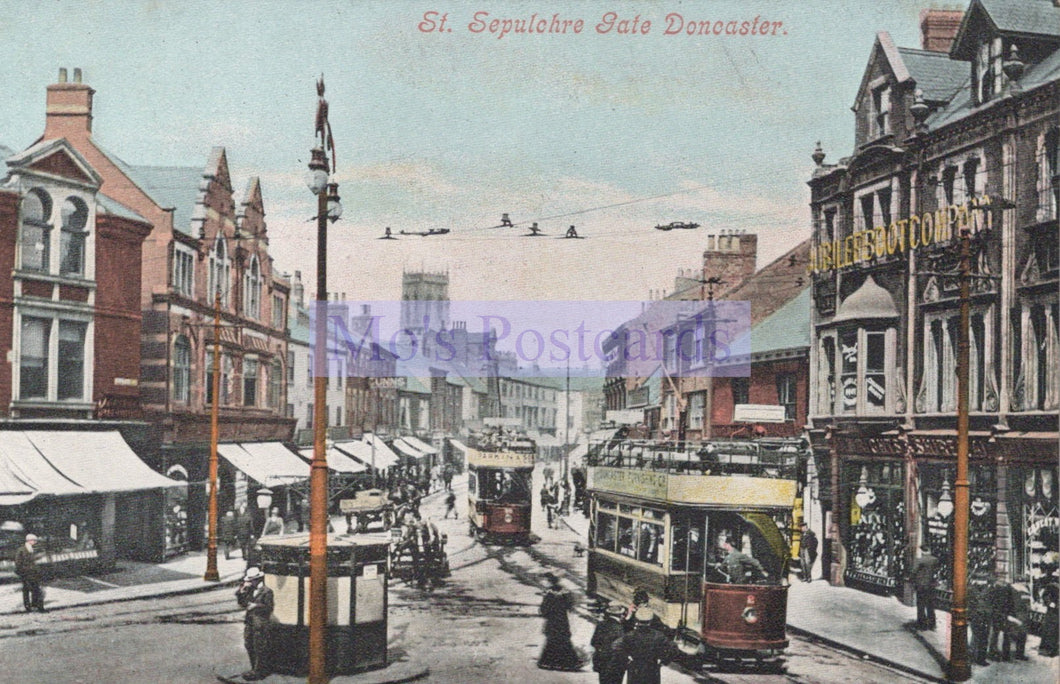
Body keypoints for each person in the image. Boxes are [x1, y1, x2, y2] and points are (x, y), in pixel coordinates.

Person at [612, 606, 678, 684]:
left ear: (637, 621)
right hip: (652, 669)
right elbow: (673, 648)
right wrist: (663, 661)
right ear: (650, 622)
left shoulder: (630, 635)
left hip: (635, 669)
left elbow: (615, 646)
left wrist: (626, 659)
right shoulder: (658, 636)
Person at [236, 567, 274, 681]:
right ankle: (254, 668)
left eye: (251, 580)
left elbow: (269, 607)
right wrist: (241, 591)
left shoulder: (267, 591)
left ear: (257, 579)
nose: (249, 583)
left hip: (260, 623)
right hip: (250, 622)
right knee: (249, 644)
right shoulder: (250, 590)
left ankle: (259, 671)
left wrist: (256, 606)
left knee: (259, 647)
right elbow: (242, 603)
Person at [538, 573, 581, 671]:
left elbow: (544, 609)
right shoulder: (565, 592)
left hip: (552, 622)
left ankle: (550, 662)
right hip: (562, 621)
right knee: (564, 641)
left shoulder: (549, 594)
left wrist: (544, 613)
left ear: (550, 582)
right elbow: (570, 605)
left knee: (551, 641)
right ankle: (568, 663)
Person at [590, 605, 627, 684]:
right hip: (616, 663)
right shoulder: (619, 627)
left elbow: (593, 642)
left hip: (601, 661)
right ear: (620, 615)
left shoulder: (601, 624)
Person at [15, 533, 45, 612]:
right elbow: (18, 563)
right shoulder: (21, 550)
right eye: (34, 540)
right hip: (25, 573)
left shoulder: (32, 549)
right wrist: (22, 573)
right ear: (29, 540)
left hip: (33, 573)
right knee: (26, 590)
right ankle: (28, 606)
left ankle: (36, 605)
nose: (35, 542)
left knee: (36, 589)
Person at [911, 544, 939, 630]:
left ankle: (922, 625)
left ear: (922, 551)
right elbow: (936, 572)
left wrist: (913, 580)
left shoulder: (920, 560)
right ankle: (932, 624)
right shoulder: (935, 560)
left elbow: (914, 572)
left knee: (921, 605)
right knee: (930, 605)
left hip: (921, 586)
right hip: (931, 585)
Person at [967, 572, 992, 666]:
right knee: (976, 637)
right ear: (976, 580)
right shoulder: (971, 589)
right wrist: (970, 615)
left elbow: (992, 602)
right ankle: (972, 657)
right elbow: (969, 603)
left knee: (984, 637)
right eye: (981, 580)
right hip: (976, 616)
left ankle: (981, 659)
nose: (983, 582)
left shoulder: (989, 589)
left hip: (986, 616)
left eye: (984, 580)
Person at [1039, 574, 1059, 657]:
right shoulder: (1052, 585)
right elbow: (1045, 596)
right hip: (1053, 611)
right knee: (1051, 630)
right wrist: (1050, 604)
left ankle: (1054, 649)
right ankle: (1048, 650)